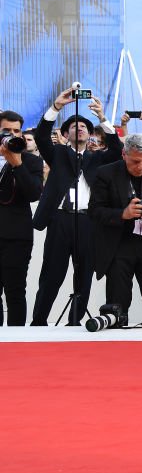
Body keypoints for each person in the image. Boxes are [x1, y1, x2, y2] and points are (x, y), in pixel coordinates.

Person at [31, 89, 123, 326]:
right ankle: (39, 322)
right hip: (60, 220)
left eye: (84, 126)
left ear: (91, 134)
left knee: (84, 277)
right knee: (51, 275)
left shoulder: (97, 159)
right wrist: (57, 106)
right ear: (65, 134)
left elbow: (117, 151)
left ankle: (74, 322)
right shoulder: (58, 154)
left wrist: (103, 118)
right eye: (73, 126)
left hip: (88, 222)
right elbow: (41, 137)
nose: (79, 127)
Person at [89, 133, 142, 326]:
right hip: (119, 243)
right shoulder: (105, 173)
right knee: (117, 299)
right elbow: (95, 211)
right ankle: (116, 335)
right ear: (124, 154)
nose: (141, 167)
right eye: (135, 161)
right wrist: (123, 214)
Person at [0, 110, 44, 326]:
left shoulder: (30, 162)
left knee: (15, 290)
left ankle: (16, 339)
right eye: (6, 130)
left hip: (16, 235)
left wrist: (17, 164)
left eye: (16, 130)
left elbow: (34, 194)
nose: (12, 134)